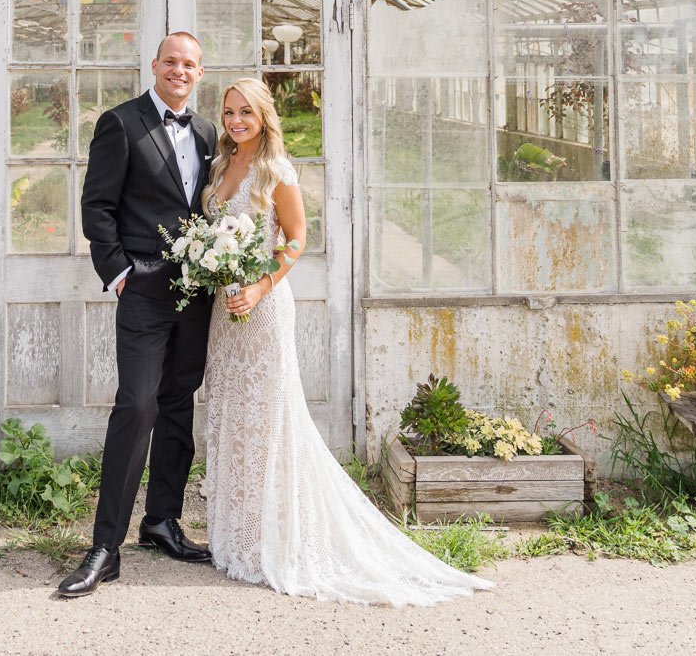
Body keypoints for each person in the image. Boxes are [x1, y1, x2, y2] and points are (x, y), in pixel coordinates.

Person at [200, 77, 492, 605]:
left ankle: (277, 536)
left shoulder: (276, 171)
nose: (236, 121)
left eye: (246, 112)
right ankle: (238, 536)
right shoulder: (220, 167)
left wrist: (261, 287)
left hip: (262, 310)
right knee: (233, 417)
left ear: (264, 117)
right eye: (229, 112)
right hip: (225, 315)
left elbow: (296, 238)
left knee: (269, 420)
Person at [56, 32, 218, 598]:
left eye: (190, 64)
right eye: (171, 61)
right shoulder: (120, 124)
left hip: (197, 294)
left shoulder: (206, 132)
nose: (180, 70)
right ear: (154, 66)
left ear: (200, 72)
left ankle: (162, 522)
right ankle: (106, 546)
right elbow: (96, 205)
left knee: (178, 405)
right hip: (144, 293)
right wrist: (121, 274)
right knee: (137, 405)